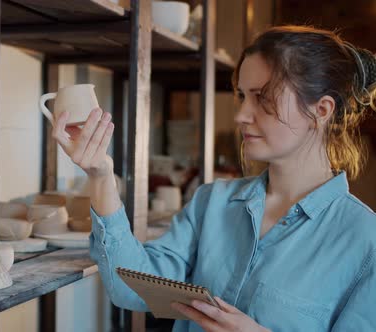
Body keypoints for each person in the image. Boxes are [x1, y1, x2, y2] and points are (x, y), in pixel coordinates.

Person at [51, 25, 376, 332]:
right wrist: (101, 175)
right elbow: (132, 289)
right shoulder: (213, 202)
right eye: (242, 96)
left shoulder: (365, 240)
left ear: (321, 111)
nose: (241, 115)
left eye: (261, 97)